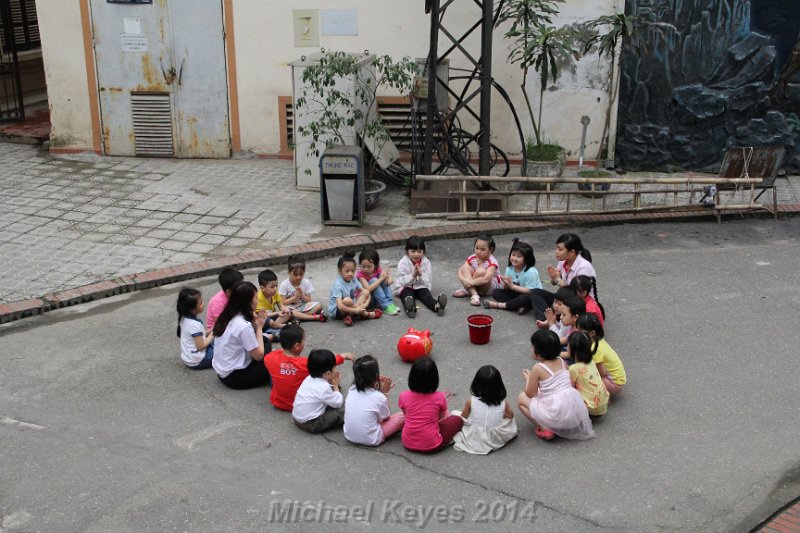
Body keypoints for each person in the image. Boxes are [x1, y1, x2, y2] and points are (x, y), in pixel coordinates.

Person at [517, 330, 595, 441]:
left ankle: (545, 428)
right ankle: (560, 425)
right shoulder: (562, 361)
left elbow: (530, 393)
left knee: (521, 398)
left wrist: (528, 379)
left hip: (556, 414)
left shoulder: (538, 368)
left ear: (537, 351)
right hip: (573, 415)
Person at [264, 324, 354, 411]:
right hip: (297, 403)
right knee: (325, 374)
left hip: (278, 402)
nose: (304, 342)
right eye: (303, 340)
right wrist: (342, 357)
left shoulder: (269, 357)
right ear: (297, 346)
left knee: (276, 373)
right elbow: (324, 363)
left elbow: (277, 354)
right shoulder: (304, 363)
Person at [212, 281, 270, 389]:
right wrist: (258, 328)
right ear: (247, 302)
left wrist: (255, 323)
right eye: (256, 298)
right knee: (268, 350)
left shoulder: (228, 314)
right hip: (235, 378)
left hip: (222, 371)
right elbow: (259, 356)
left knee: (263, 341)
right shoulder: (242, 325)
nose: (257, 301)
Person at [398, 358, 463, 453]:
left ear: (411, 377)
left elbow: (405, 414)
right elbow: (441, 417)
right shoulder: (440, 397)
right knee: (458, 420)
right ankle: (447, 440)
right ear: (435, 379)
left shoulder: (403, 395)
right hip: (432, 446)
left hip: (407, 442)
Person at [452, 365, 518, 455]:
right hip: (494, 439)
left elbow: (463, 418)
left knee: (454, 413)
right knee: (509, 421)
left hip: (475, 436)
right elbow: (511, 416)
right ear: (499, 385)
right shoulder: (503, 403)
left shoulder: (471, 401)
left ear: (476, 384)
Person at [529, 233, 596, 320]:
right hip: (564, 299)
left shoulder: (584, 268)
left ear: (572, 252)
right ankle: (546, 319)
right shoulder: (563, 260)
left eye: (560, 249)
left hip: (579, 304)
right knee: (535, 292)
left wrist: (557, 279)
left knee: (560, 306)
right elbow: (555, 282)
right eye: (557, 248)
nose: (556, 251)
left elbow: (576, 295)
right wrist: (553, 278)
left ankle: (550, 321)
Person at [343, 355, 405, 446]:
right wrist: (385, 393)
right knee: (401, 416)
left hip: (349, 435)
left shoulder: (352, 389)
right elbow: (386, 417)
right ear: (376, 376)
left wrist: (376, 387)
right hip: (371, 439)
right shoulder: (379, 397)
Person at [292, 350, 346, 433]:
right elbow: (338, 403)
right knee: (342, 409)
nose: (336, 370)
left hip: (296, 418)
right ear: (328, 373)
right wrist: (335, 385)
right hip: (311, 423)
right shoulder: (323, 388)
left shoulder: (309, 378)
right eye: (335, 368)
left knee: (334, 397)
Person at [483, 238, 542, 315]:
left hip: (531, 295)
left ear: (527, 259)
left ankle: (502, 305)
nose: (514, 258)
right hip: (516, 293)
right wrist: (506, 284)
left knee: (525, 298)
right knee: (496, 292)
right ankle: (520, 306)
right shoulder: (509, 268)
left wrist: (512, 286)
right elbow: (508, 288)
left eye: (519, 256)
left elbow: (530, 291)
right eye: (513, 255)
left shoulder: (531, 272)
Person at [394, 235, 447, 318]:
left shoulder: (426, 262)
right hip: (406, 286)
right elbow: (402, 281)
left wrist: (421, 274)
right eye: (413, 251)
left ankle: (437, 306)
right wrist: (413, 275)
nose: (416, 254)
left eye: (419, 251)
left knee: (426, 296)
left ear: (424, 252)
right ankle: (410, 309)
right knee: (407, 296)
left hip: (420, 286)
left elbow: (427, 281)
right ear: (407, 251)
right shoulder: (403, 262)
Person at [577, 313, 626, 397]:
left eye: (581, 332)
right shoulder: (598, 341)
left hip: (614, 384)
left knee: (585, 379)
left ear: (592, 333)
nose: (578, 334)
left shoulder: (595, 349)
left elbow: (602, 373)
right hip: (619, 380)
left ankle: (604, 397)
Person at [328, 252, 381, 326]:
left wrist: (365, 305)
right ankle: (365, 314)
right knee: (347, 300)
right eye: (347, 271)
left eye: (352, 271)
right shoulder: (337, 285)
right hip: (338, 311)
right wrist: (356, 309)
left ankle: (350, 316)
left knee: (365, 292)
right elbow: (340, 306)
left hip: (352, 305)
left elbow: (366, 293)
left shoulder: (353, 279)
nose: (350, 273)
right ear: (340, 271)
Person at [453, 233, 503, 307]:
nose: (479, 252)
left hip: (489, 287)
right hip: (475, 283)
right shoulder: (473, 257)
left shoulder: (492, 262)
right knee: (465, 268)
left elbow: (486, 279)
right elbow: (461, 270)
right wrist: (463, 280)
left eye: (483, 249)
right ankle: (474, 294)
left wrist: (470, 283)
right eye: (477, 248)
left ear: (490, 250)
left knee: (480, 271)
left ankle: (469, 291)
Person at [567, 331, 609, 416]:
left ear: (573, 350)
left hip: (590, 408)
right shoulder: (592, 362)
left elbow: (570, 388)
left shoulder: (573, 368)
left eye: (567, 346)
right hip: (604, 403)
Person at [175, 287, 214, 369]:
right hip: (198, 361)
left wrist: (210, 331)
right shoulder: (194, 324)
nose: (203, 304)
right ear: (192, 309)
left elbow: (199, 336)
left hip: (188, 357)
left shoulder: (183, 318)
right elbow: (201, 346)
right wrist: (214, 333)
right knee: (224, 350)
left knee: (215, 342)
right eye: (200, 303)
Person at [278, 257, 326, 322]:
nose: (298, 277)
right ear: (289, 273)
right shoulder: (284, 284)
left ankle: (298, 317)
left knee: (319, 306)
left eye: (301, 274)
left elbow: (308, 300)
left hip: (302, 307)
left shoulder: (306, 282)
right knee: (287, 311)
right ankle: (313, 317)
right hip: (290, 308)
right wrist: (295, 297)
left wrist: (302, 295)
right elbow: (283, 302)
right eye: (295, 274)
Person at [357, 249, 401, 316]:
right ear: (360, 264)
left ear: (375, 265)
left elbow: (390, 280)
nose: (366, 269)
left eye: (369, 266)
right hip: (367, 301)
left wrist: (388, 278)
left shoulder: (377, 269)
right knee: (374, 280)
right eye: (363, 266)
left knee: (383, 278)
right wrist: (381, 279)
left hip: (376, 299)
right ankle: (385, 306)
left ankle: (389, 303)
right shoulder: (360, 275)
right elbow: (368, 288)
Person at [256, 269, 293, 341]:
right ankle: (285, 327)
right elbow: (262, 315)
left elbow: (281, 305)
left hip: (273, 317)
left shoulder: (275, 294)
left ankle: (274, 327)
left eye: (276, 285)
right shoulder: (258, 298)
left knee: (289, 312)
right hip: (263, 319)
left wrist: (284, 309)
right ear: (262, 288)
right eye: (272, 287)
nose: (275, 289)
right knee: (269, 321)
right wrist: (277, 313)